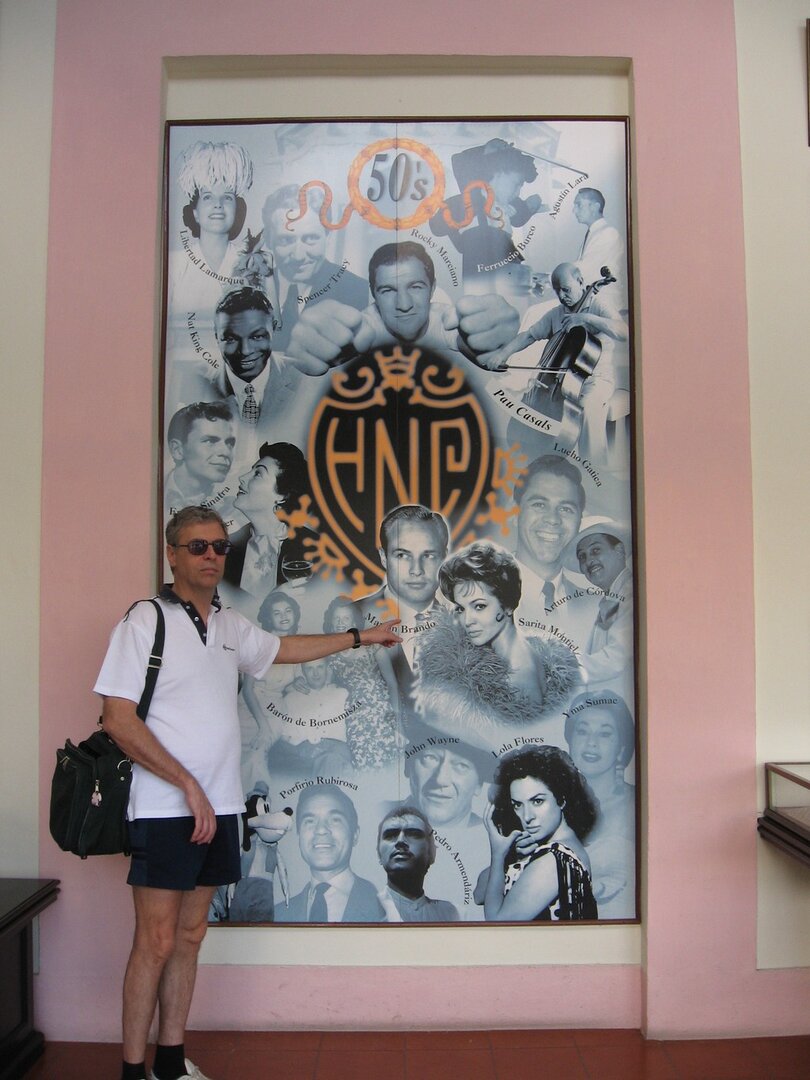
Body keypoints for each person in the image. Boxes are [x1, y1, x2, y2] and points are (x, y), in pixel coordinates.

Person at [94, 506, 399, 1080]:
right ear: (172, 555)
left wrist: (361, 636)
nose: (211, 555)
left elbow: (283, 649)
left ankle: (170, 1063)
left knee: (191, 935)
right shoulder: (144, 621)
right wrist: (187, 784)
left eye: (219, 546)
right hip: (165, 809)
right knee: (155, 941)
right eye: (197, 546)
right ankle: (134, 1072)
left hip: (222, 806)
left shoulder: (230, 625)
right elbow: (118, 719)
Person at [414, 541, 580, 741]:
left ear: (508, 605)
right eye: (461, 608)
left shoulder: (517, 676)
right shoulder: (517, 651)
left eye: (479, 606)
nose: (467, 620)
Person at [286, 241, 520, 375]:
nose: (404, 305)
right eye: (388, 290)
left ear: (432, 288)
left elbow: (465, 340)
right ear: (373, 294)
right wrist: (303, 354)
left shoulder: (448, 323)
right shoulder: (362, 329)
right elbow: (337, 342)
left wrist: (498, 345)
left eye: (415, 287)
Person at [482, 262, 627, 460]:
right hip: (560, 384)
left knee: (589, 407)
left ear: (580, 282)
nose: (561, 296)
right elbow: (529, 335)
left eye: (566, 289)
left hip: (595, 380)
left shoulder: (597, 305)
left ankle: (593, 464)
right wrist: (502, 354)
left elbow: (623, 332)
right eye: (557, 290)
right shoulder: (556, 313)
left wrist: (586, 318)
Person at [482, 744, 598, 921]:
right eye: (518, 805)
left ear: (561, 799)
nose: (527, 816)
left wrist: (498, 854)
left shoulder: (554, 860)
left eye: (537, 801)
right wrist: (509, 855)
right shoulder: (557, 850)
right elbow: (478, 894)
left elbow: (496, 922)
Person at [356, 504, 449, 701]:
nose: (416, 570)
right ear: (383, 557)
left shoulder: (468, 625)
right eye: (402, 555)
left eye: (429, 555)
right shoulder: (350, 617)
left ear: (444, 558)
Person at [259, 184, 369, 352]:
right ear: (268, 240)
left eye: (310, 238)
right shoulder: (250, 289)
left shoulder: (358, 291)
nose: (298, 256)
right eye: (286, 240)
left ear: (328, 237)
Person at [428, 137, 546, 285]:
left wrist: (531, 204)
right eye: (516, 184)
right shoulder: (469, 200)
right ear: (497, 173)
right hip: (482, 280)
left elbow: (520, 217)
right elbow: (437, 227)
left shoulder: (509, 207)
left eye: (520, 187)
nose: (517, 192)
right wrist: (487, 150)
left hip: (504, 277)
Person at [512, 453, 599, 649]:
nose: (553, 519)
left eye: (566, 509)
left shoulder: (598, 610)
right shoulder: (473, 599)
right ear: (515, 513)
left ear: (579, 521)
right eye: (539, 505)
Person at [564, 692, 636, 918]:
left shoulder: (638, 804)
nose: (591, 743)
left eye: (605, 734)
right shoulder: (548, 804)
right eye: (582, 731)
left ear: (621, 748)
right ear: (570, 740)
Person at [205, 287, 302, 446]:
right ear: (216, 337)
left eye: (257, 337)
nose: (245, 351)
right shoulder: (194, 386)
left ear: (274, 329)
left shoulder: (305, 382)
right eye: (231, 339)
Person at [278, 784, 385, 922]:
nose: (321, 830)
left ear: (355, 835)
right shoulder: (277, 914)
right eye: (309, 821)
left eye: (335, 820)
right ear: (299, 835)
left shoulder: (385, 908)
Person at [223, 441, 316, 600]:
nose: (242, 478)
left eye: (257, 474)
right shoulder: (225, 549)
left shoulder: (316, 549)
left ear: (283, 495)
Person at [323, 596, 400, 770]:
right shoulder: (329, 653)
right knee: (362, 763)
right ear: (331, 622)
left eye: (345, 618)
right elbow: (324, 686)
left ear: (354, 622)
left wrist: (397, 722)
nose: (340, 623)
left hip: (382, 710)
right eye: (336, 618)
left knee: (389, 764)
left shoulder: (373, 646)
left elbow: (392, 684)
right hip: (355, 717)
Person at [175, 140, 253, 279]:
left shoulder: (252, 264)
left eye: (227, 197)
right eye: (208, 197)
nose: (218, 204)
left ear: (236, 210)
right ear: (195, 212)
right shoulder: (176, 263)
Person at [402, 717, 492, 831]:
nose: (441, 780)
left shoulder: (487, 835)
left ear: (479, 784)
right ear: (407, 764)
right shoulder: (380, 814)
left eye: (461, 765)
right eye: (430, 758)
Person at [574, 522, 634, 691]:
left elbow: (617, 658)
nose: (588, 561)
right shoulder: (611, 598)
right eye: (582, 556)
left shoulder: (632, 593)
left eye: (595, 550)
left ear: (619, 551)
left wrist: (559, 669)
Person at [376, 806, 460, 922]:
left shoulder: (455, 915)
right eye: (390, 835)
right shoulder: (362, 911)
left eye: (414, 834)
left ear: (431, 854)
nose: (400, 841)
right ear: (379, 854)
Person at [163, 402, 238, 525]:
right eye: (210, 441)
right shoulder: (147, 493)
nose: (225, 452)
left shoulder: (232, 509)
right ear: (177, 450)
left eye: (230, 443)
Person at [571, 187, 625, 289]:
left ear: (595, 207)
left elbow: (585, 269)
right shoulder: (595, 233)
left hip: (604, 296)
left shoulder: (608, 233)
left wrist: (550, 278)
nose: (574, 210)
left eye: (579, 205)